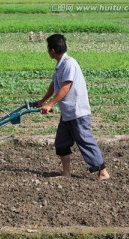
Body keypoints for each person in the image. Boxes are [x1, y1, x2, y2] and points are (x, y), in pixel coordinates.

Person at [37, 34, 110, 180]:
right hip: (67, 113)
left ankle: (103, 172)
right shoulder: (60, 65)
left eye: (47, 48)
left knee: (84, 140)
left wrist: (50, 104)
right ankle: (66, 173)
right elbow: (54, 85)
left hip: (77, 112)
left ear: (52, 50)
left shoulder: (69, 63)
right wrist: (43, 100)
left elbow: (65, 87)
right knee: (61, 142)